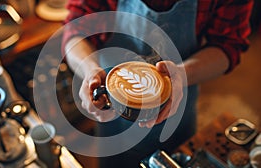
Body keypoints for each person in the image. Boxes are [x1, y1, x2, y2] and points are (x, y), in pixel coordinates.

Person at [61, 0, 253, 167]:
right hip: (109, 100)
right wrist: (89, 70)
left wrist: (181, 74)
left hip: (177, 100)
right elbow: (75, 28)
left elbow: (228, 44)